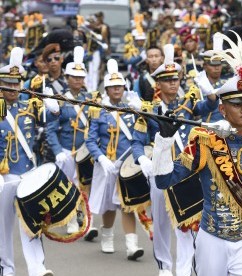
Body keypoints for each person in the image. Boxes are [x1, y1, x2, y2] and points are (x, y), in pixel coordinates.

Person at [153, 32, 242, 276]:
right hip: (212, 239)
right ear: (222, 109)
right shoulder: (206, 143)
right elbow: (163, 181)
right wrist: (163, 140)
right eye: (237, 104)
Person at [132, 44, 218, 276]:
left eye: (176, 79)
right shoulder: (149, 110)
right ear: (158, 83)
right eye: (167, 80)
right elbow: (136, 142)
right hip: (160, 170)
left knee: (187, 222)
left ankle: (183, 269)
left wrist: (208, 89)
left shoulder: (187, 105)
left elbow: (210, 105)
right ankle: (164, 266)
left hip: (185, 171)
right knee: (160, 224)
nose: (173, 83)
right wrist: (143, 160)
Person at [0, 47, 59, 276]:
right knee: (3, 228)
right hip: (5, 177)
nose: (13, 88)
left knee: (32, 223)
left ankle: (37, 268)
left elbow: (53, 113)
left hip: (27, 174)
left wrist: (47, 98)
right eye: (8, 83)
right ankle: (6, 268)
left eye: (16, 84)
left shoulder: (29, 106)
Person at [86, 59, 145, 260]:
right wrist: (101, 159)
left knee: (127, 204)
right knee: (109, 206)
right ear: (107, 90)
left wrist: (141, 111)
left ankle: (131, 245)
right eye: (112, 87)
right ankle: (107, 236)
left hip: (127, 165)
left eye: (119, 86)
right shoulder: (98, 111)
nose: (117, 90)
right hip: (108, 164)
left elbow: (142, 132)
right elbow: (90, 140)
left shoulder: (132, 107)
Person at [45, 46, 98, 238]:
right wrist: (58, 150)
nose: (77, 80)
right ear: (67, 78)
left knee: (86, 187)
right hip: (67, 150)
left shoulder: (91, 100)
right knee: (68, 186)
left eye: (80, 77)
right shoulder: (60, 101)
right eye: (74, 77)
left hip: (86, 150)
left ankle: (87, 220)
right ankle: (71, 220)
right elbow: (51, 130)